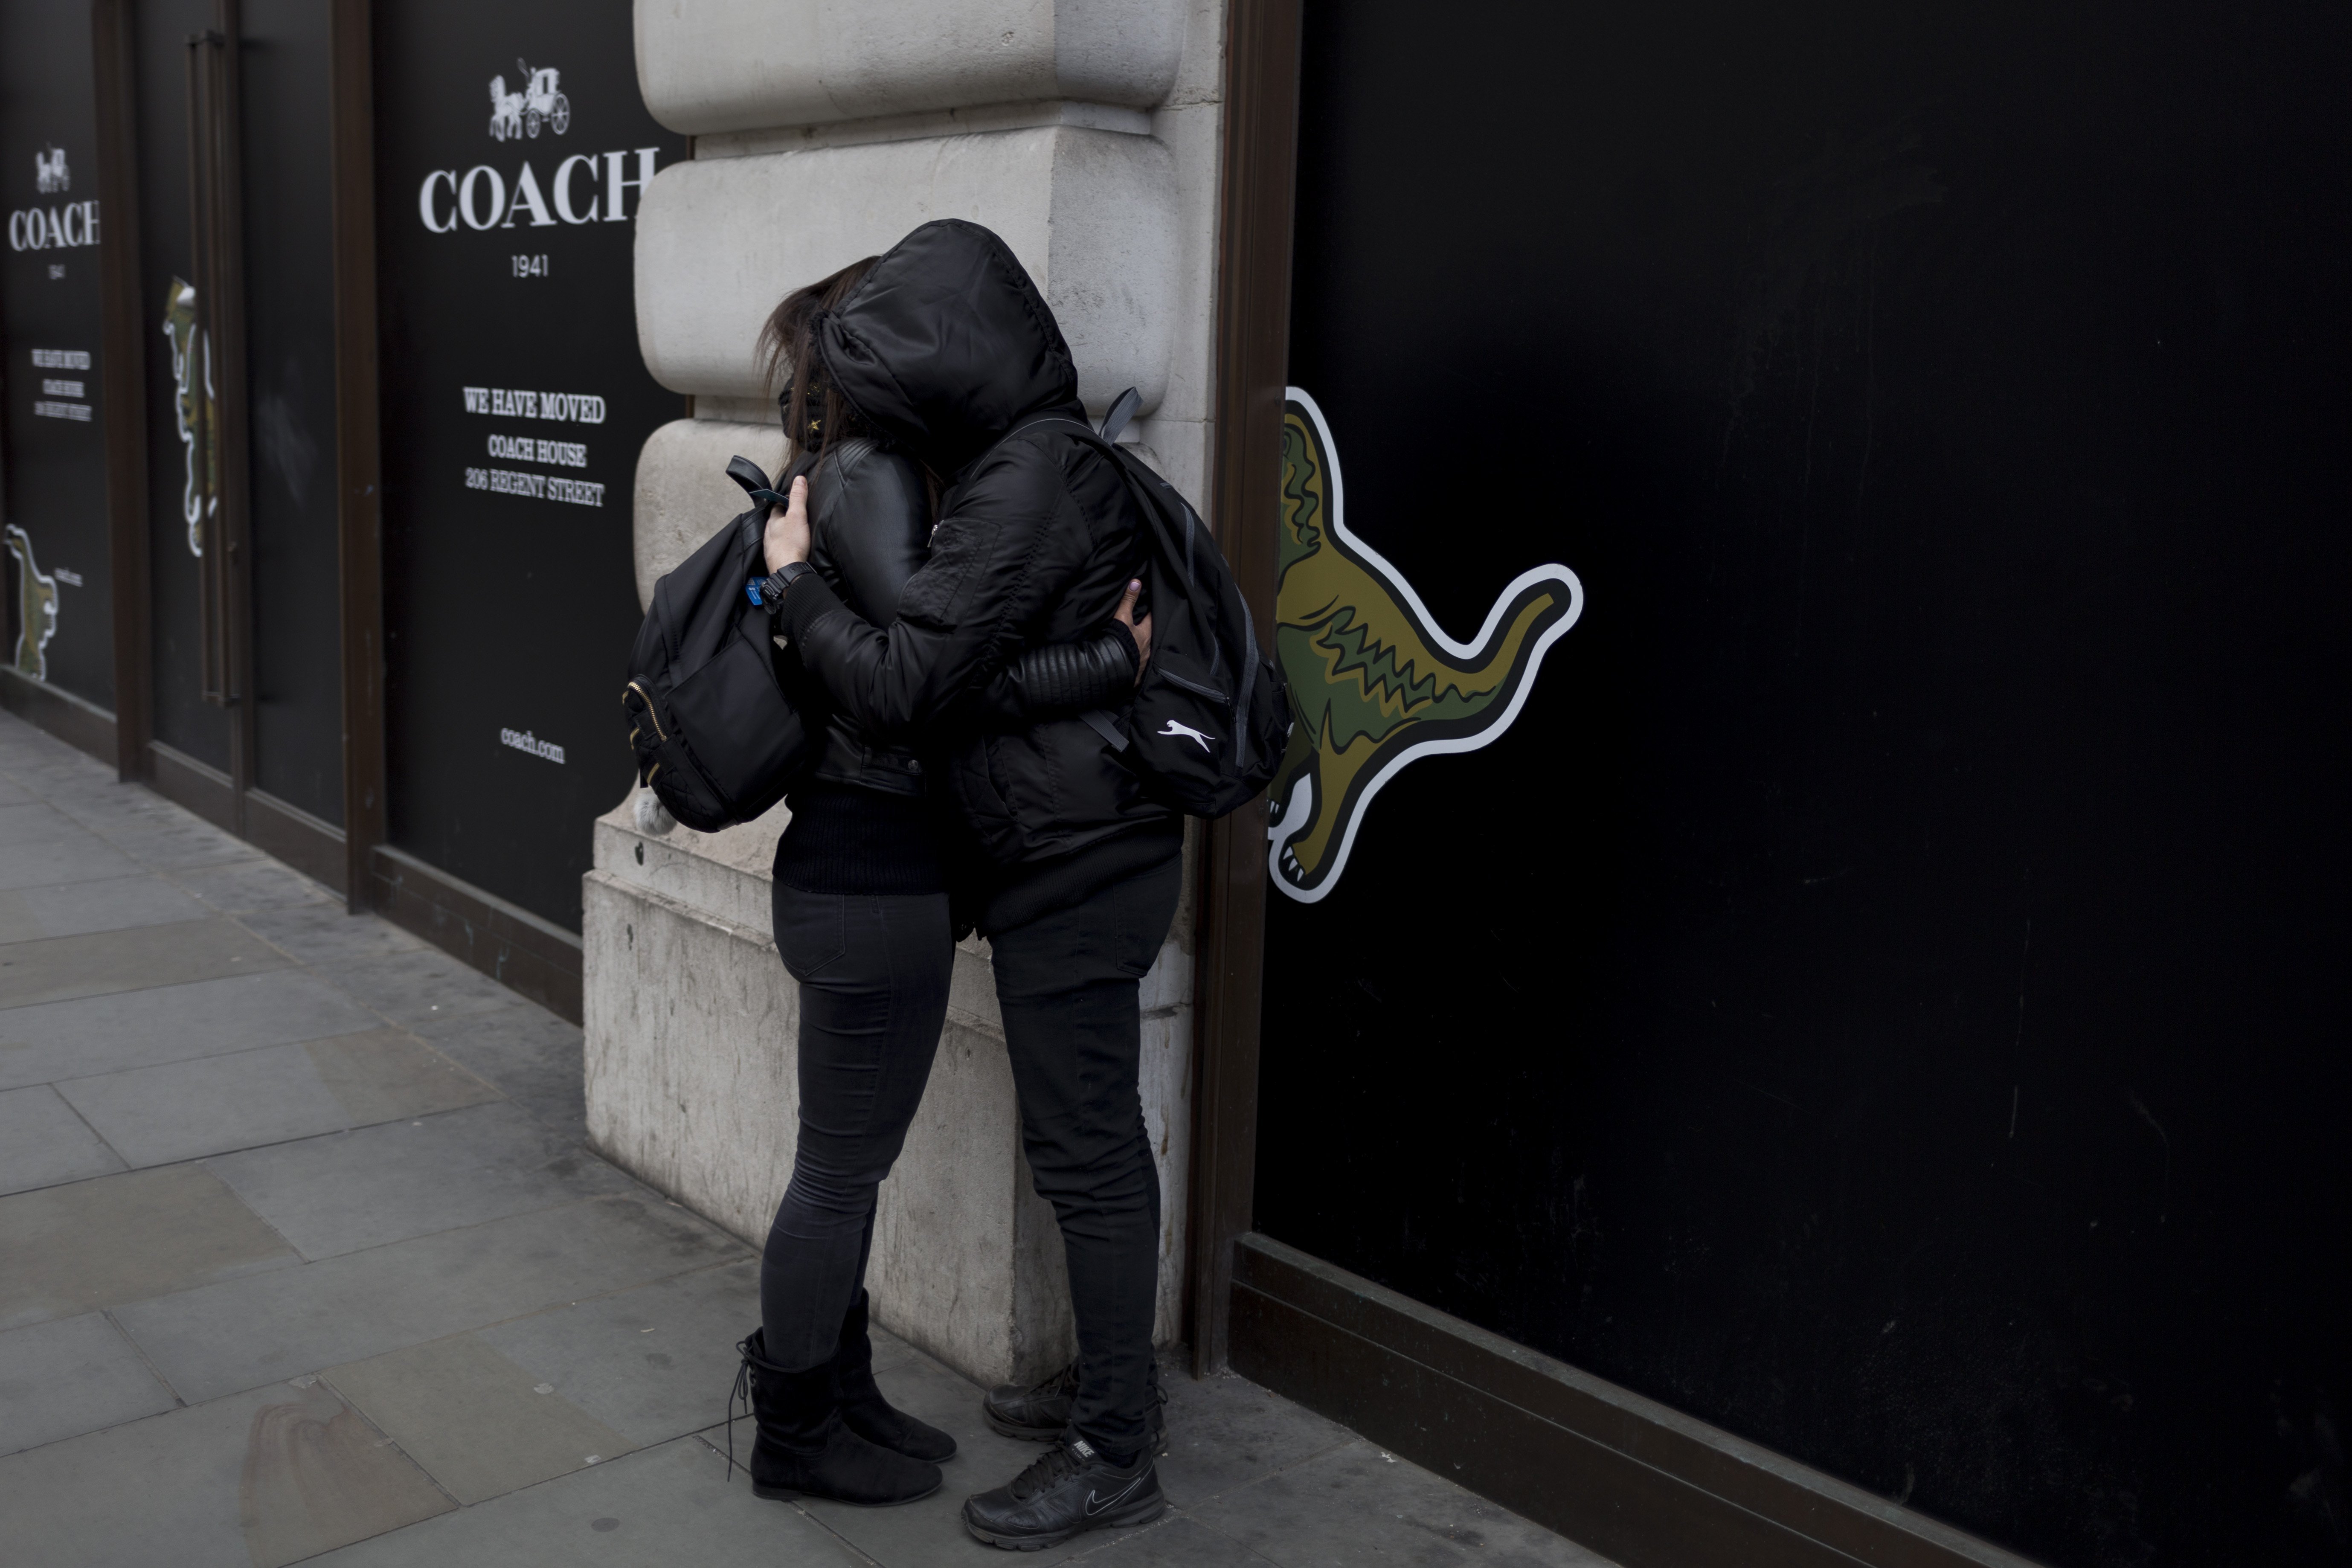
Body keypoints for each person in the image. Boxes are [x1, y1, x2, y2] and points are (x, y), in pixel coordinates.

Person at [756, 219, 1184, 1551]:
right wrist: (1096, 670)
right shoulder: (1010, 466)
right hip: (1053, 850)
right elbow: (941, 683)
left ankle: (1115, 1443)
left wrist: (787, 591)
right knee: (1060, 1148)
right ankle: (1094, 1390)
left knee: (1088, 1154)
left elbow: (908, 684)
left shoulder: (1024, 480)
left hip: (1080, 856)